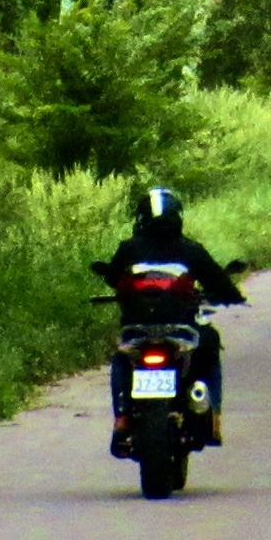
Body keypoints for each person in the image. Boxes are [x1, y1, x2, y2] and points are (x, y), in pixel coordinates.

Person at [98, 187, 245, 447]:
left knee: (122, 357)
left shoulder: (129, 249)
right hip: (180, 329)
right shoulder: (190, 249)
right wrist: (233, 295)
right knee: (209, 346)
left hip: (137, 330)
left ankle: (121, 416)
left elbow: (112, 278)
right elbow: (218, 281)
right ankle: (214, 417)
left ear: (141, 218)